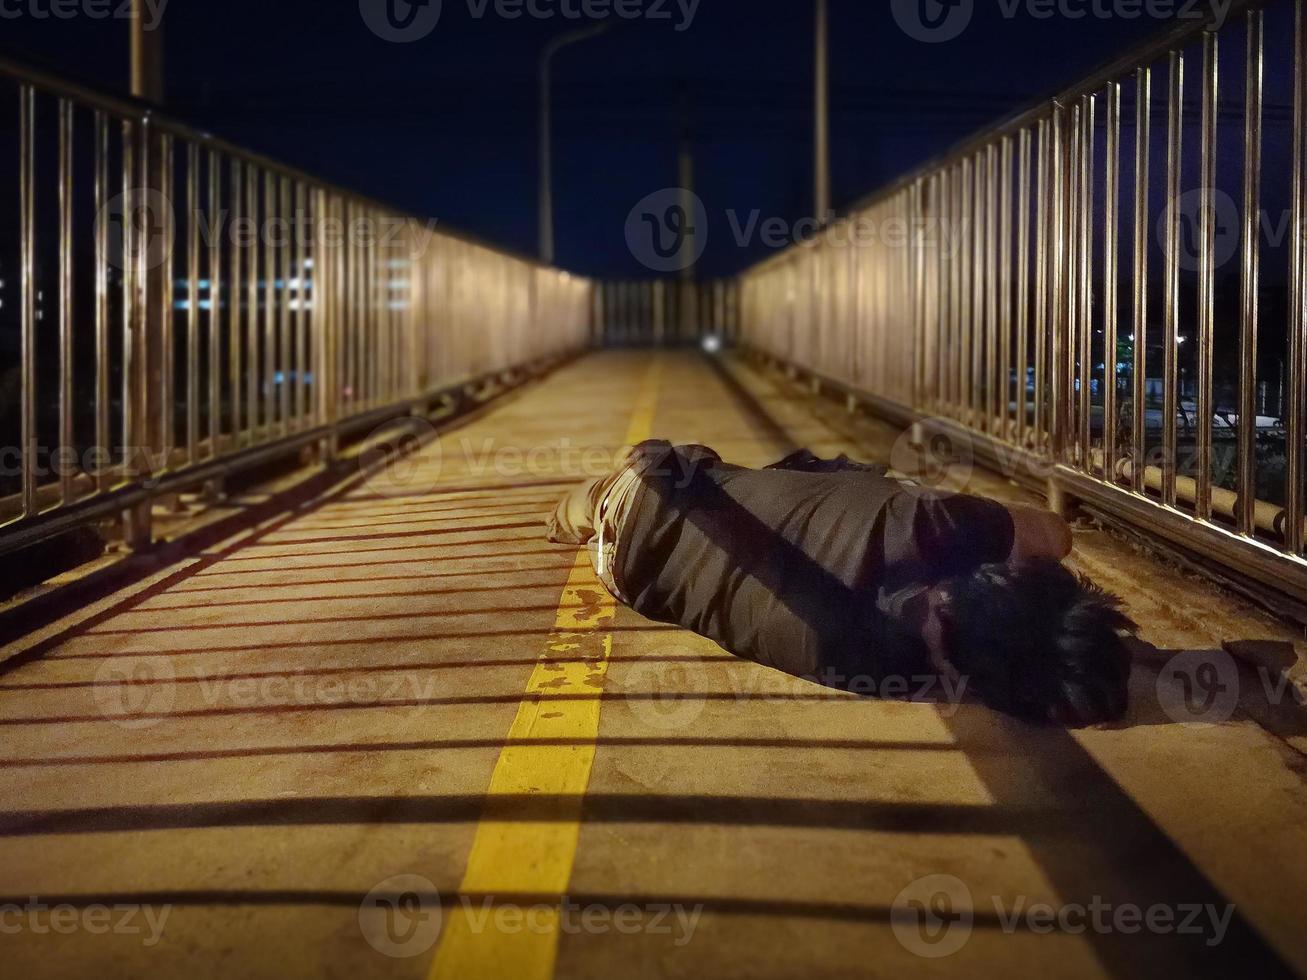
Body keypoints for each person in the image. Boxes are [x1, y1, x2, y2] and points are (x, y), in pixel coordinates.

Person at [547, 440, 1135, 727]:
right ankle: (576, 515)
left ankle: (568, 510)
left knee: (634, 485)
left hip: (656, 489)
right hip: (630, 576)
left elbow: (1055, 535)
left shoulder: (932, 525)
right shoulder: (886, 673)